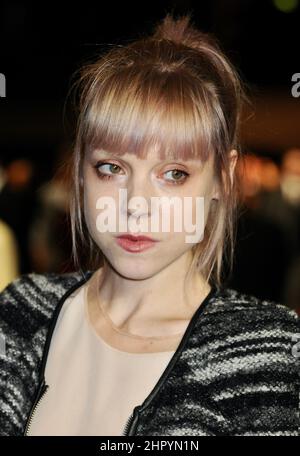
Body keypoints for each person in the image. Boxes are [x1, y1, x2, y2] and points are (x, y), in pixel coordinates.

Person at [0, 13, 299, 437]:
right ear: (80, 173)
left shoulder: (266, 353)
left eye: (174, 173)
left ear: (223, 179)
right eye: (111, 168)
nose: (136, 205)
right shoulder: (19, 314)